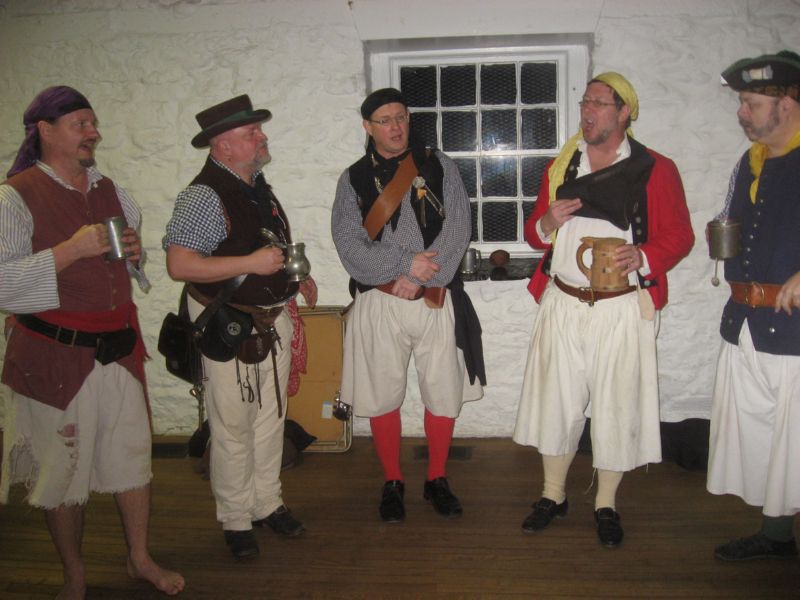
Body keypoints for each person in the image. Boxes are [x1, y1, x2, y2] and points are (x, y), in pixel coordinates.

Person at [0, 86, 184, 598]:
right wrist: (70, 250)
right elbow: (3, 283)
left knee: (132, 460)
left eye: (92, 123)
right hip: (55, 354)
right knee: (61, 471)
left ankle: (139, 558)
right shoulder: (13, 197)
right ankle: (74, 573)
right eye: (80, 124)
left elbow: (127, 269)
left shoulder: (112, 190)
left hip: (117, 351)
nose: (93, 133)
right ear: (45, 130)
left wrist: (134, 256)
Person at [513, 72, 694, 547]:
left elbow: (680, 235)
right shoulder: (561, 165)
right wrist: (546, 221)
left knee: (618, 405)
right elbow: (535, 234)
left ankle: (606, 502)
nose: (587, 111)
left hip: (621, 307)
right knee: (556, 403)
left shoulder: (655, 168)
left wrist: (645, 255)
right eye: (584, 102)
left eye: (598, 103)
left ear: (624, 112)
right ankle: (552, 494)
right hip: (564, 301)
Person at [164, 94, 316, 560]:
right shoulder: (204, 195)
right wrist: (250, 263)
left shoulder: (257, 187)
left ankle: (267, 502)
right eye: (251, 133)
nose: (261, 137)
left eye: (259, 130)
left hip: (271, 322)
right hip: (227, 328)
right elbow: (180, 265)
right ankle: (235, 518)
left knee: (271, 420)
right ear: (223, 145)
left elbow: (268, 245)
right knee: (232, 427)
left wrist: (296, 276)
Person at [331, 88, 484, 524]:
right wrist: (403, 265)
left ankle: (437, 478)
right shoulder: (353, 178)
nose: (395, 127)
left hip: (434, 296)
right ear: (368, 127)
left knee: (442, 389)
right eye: (384, 120)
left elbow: (458, 228)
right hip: (380, 299)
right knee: (382, 393)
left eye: (400, 117)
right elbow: (348, 244)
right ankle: (393, 481)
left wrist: (421, 277)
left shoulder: (440, 165)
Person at [706, 50, 800, 561]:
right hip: (746, 321)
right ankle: (777, 536)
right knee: (769, 440)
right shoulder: (752, 161)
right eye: (741, 102)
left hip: (794, 330)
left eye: (752, 103)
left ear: (788, 103)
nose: (742, 113)